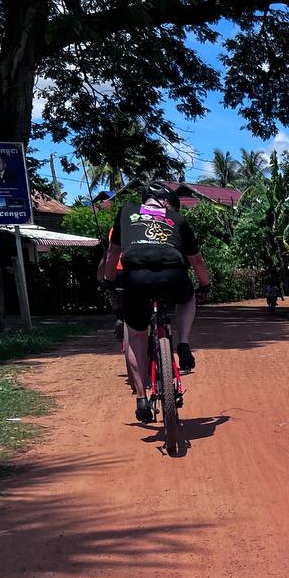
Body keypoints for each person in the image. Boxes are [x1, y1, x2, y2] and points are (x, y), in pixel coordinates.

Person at [100, 180, 212, 423]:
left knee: (136, 336)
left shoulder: (127, 211)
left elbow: (112, 253)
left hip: (135, 279)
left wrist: (109, 282)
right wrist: (205, 285)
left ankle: (141, 398)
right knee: (187, 298)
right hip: (173, 275)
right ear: (165, 202)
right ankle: (182, 343)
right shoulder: (177, 220)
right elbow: (198, 262)